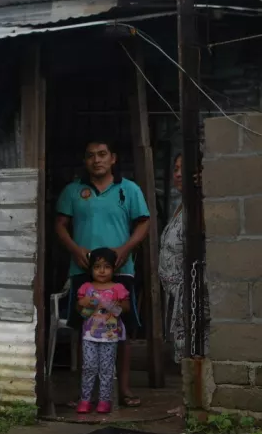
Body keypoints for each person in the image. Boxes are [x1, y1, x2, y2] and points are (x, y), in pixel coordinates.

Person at [56, 139, 151, 407]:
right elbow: (60, 224)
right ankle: (83, 392)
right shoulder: (73, 191)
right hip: (83, 270)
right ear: (85, 161)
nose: (96, 160)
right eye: (90, 156)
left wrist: (126, 248)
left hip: (121, 271)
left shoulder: (128, 189)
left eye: (102, 154)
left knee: (121, 328)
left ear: (113, 158)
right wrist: (74, 249)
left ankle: (123, 390)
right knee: (82, 327)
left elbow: (144, 222)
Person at [159, 154, 209, 362]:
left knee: (200, 358)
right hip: (180, 298)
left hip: (196, 297)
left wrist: (202, 191)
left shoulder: (201, 203)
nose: (178, 174)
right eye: (176, 169)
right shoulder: (183, 204)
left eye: (184, 170)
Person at [75, 248, 130, 414]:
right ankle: (85, 400)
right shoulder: (86, 287)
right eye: (97, 266)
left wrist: (115, 304)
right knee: (89, 367)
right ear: (91, 269)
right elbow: (79, 310)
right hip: (89, 335)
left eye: (106, 266)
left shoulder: (118, 288)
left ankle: (104, 401)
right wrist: (83, 302)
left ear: (114, 268)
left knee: (106, 369)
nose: (102, 270)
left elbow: (126, 309)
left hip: (110, 336)